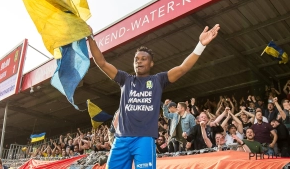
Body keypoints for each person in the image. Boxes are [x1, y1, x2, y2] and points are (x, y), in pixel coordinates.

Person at [87, 24, 220, 169]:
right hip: (121, 139)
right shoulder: (125, 79)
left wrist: (200, 45)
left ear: (151, 63)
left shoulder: (158, 80)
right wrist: (90, 37)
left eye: (143, 59)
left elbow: (182, 68)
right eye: (136, 59)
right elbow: (101, 62)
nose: (139, 61)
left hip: (144, 140)